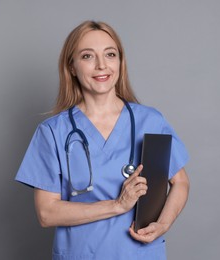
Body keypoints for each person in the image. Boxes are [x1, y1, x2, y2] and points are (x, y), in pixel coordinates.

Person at [15, 20, 190, 259]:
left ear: (120, 62)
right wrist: (118, 205)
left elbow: (180, 182)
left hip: (140, 253)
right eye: (88, 56)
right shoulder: (53, 131)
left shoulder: (150, 120)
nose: (101, 65)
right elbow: (47, 213)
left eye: (110, 54)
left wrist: (164, 224)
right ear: (72, 67)